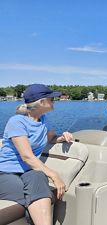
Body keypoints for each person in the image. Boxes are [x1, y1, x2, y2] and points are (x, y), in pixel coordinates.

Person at [0, 84, 73, 225]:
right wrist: (54, 176)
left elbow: (50, 138)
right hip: (5, 173)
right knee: (36, 195)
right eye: (52, 99)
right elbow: (27, 157)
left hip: (29, 172)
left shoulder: (43, 121)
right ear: (41, 102)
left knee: (39, 177)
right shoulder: (16, 122)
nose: (54, 102)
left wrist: (62, 137)